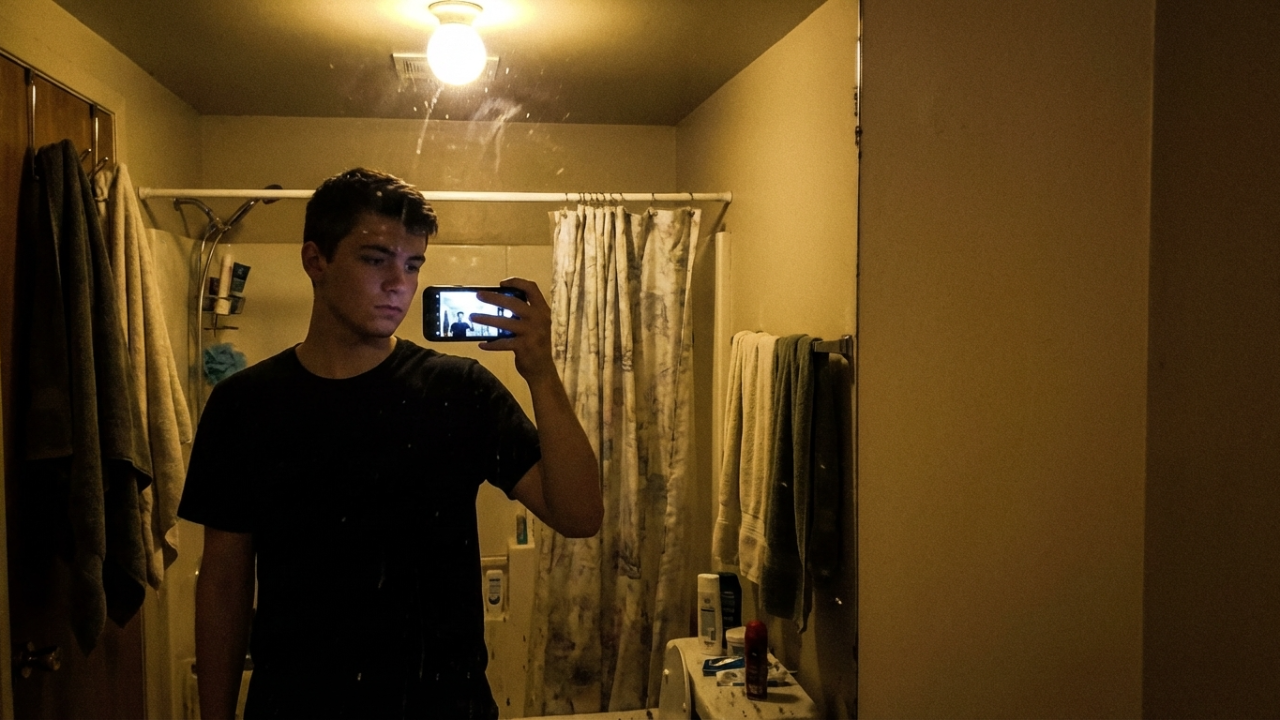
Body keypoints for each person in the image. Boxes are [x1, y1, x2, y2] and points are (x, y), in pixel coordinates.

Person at [178, 168, 603, 719]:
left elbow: (579, 515)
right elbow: (223, 581)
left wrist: (541, 372)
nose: (399, 283)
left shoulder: (460, 390)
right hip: (298, 707)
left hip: (443, 708)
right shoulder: (245, 405)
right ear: (316, 261)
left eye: (413, 264)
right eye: (376, 259)